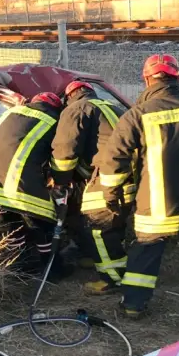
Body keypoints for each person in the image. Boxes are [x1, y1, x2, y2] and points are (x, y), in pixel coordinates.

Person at [99, 54, 179, 319]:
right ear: (177, 78)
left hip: (158, 204)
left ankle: (134, 304)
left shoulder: (136, 115)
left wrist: (111, 195)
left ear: (147, 79)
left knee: (146, 249)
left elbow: (114, 159)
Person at [0, 92, 69, 278]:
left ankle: (20, 267)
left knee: (11, 226)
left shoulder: (11, 113)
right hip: (16, 181)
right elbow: (58, 156)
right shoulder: (54, 121)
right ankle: (53, 270)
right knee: (41, 224)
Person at [50, 80, 134, 293]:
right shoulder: (110, 107)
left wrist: (60, 181)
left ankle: (113, 278)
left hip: (109, 177)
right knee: (114, 221)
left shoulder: (76, 109)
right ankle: (96, 256)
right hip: (131, 176)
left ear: (70, 96)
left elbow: (65, 150)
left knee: (98, 225)